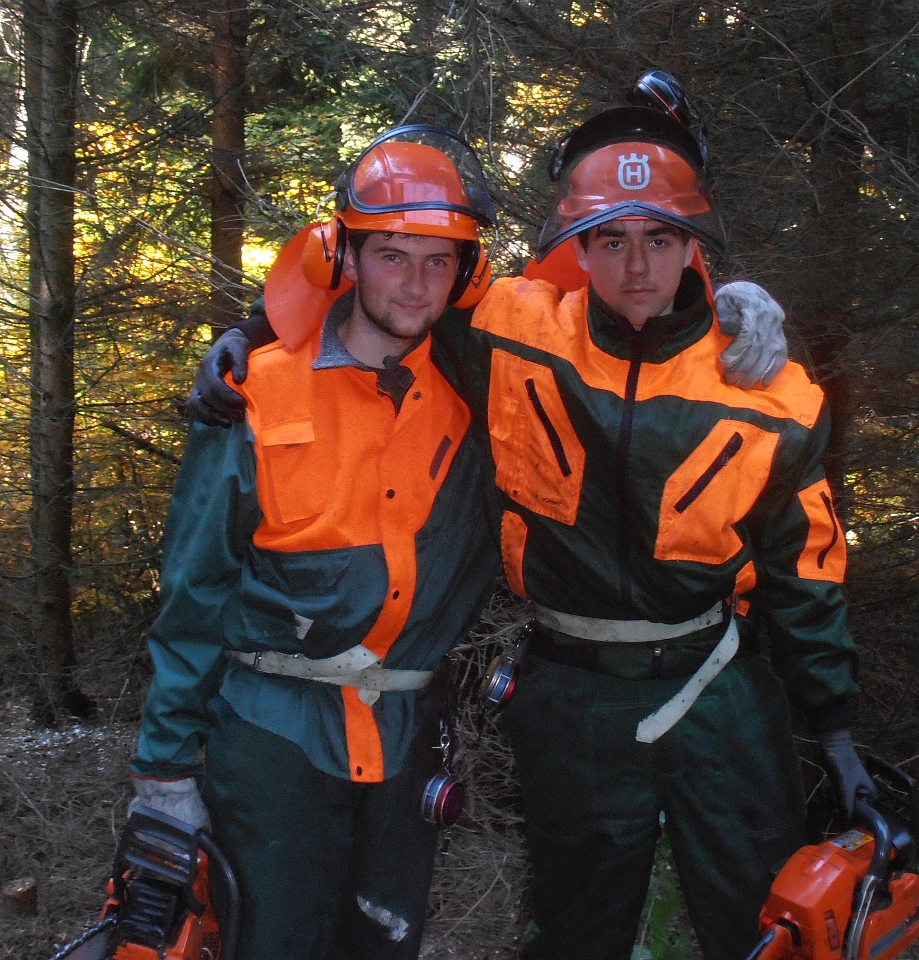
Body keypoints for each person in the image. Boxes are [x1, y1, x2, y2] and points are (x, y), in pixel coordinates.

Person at [190, 76, 871, 960]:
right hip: (571, 690)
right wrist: (255, 331)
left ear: (692, 246)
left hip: (717, 682)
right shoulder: (512, 332)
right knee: (577, 929)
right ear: (578, 245)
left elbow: (805, 571)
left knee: (762, 924)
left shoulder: (767, 389)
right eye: (611, 240)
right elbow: (391, 272)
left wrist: (835, 728)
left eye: (661, 240)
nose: (636, 268)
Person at [128, 126, 501, 960]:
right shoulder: (254, 393)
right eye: (393, 256)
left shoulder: (479, 397)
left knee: (383, 944)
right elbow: (194, 591)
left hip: (404, 735)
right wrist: (163, 770)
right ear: (346, 258)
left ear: (465, 274)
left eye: (438, 261)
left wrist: (724, 311)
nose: (416, 283)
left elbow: (603, 316)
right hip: (271, 737)